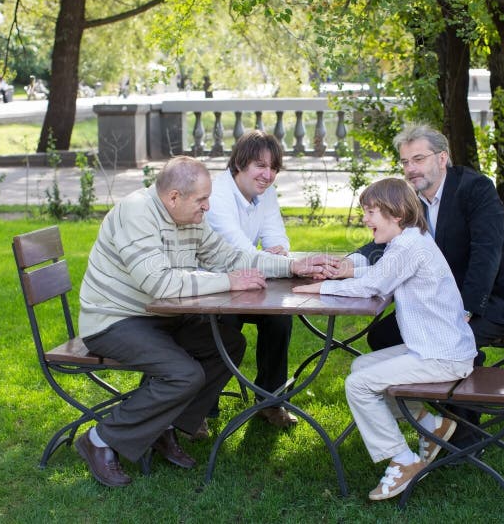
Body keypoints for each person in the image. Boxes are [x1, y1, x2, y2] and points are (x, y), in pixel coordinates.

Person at [75, 156, 337, 487]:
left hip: (160, 317)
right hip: (115, 320)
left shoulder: (190, 218)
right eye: (201, 200)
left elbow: (231, 257)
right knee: (183, 374)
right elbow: (161, 284)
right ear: (173, 197)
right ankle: (100, 439)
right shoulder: (137, 214)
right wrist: (230, 281)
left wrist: (290, 267)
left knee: (228, 344)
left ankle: (163, 428)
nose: (207, 207)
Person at [337, 124, 504, 450]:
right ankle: (433, 420)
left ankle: (463, 438)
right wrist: (350, 262)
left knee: (453, 342)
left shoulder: (475, 189)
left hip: (490, 301)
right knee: (382, 336)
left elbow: (488, 253)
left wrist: (468, 308)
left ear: (442, 158)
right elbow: (388, 243)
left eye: (418, 159)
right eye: (404, 162)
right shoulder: (412, 199)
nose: (411, 169)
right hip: (443, 302)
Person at [293, 177, 477, 501]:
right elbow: (381, 275)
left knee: (359, 384)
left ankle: (403, 460)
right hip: (438, 348)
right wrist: (342, 274)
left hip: (442, 356)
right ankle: (429, 425)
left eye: (371, 212)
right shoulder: (410, 241)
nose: (365, 219)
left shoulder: (409, 246)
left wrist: (319, 288)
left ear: (396, 213)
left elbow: (372, 287)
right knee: (362, 366)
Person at [205, 130, 297, 428]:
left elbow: (276, 237)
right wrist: (278, 262)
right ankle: (204, 409)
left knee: (279, 318)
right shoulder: (217, 195)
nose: (268, 175)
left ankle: (270, 402)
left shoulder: (264, 191)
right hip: (207, 289)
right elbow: (241, 254)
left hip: (243, 283)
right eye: (260, 165)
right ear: (240, 163)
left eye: (273, 168)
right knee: (225, 325)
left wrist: (278, 253)